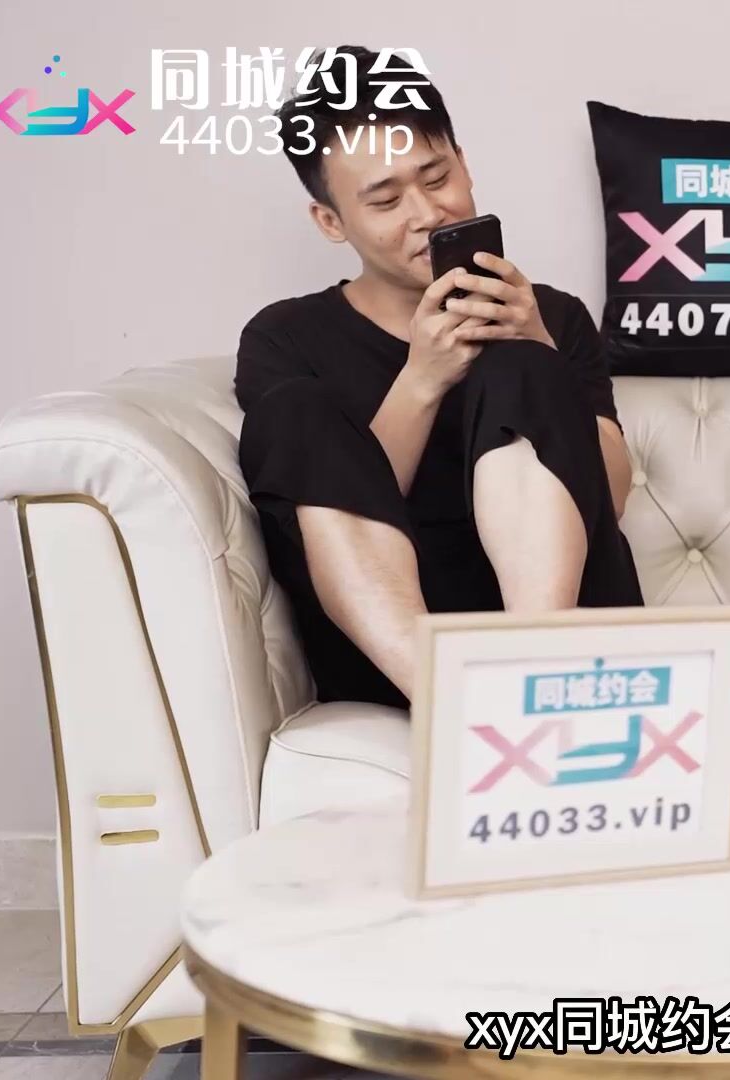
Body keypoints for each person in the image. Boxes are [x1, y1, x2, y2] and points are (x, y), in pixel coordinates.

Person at [235, 46, 641, 709]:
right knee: (295, 411)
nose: (427, 214)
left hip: (566, 627)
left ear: (464, 162)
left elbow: (613, 497)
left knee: (521, 363)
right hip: (400, 648)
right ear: (331, 221)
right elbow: (336, 515)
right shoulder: (286, 337)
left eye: (437, 176)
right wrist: (422, 379)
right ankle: (457, 700)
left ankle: (530, 675)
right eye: (386, 199)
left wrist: (539, 350)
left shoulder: (554, 315)